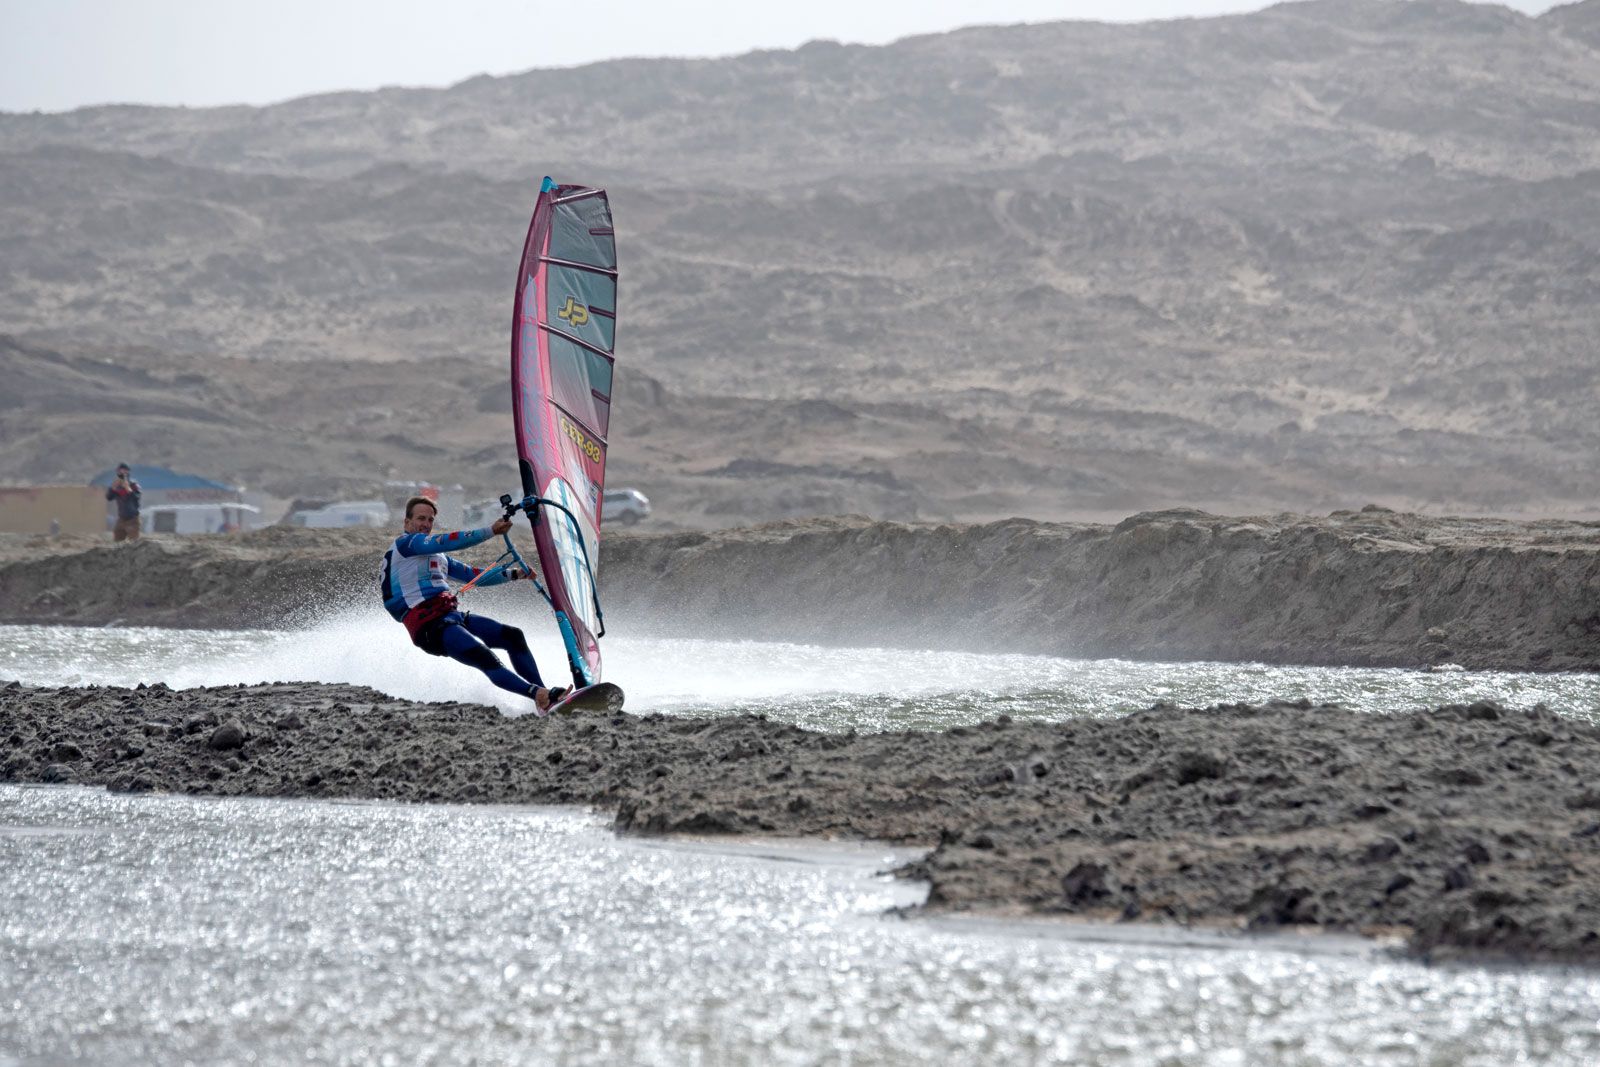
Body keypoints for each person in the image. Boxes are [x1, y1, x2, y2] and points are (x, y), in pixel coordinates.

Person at [380, 496, 566, 712]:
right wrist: (491, 531)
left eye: (430, 520)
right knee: (484, 656)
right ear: (407, 523)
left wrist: (513, 574)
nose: (426, 524)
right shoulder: (406, 544)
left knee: (513, 636)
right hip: (429, 626)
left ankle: (545, 700)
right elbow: (447, 541)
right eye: (421, 518)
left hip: (450, 617)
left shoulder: (437, 555)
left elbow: (472, 576)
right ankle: (538, 695)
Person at [106, 463, 141, 542]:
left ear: (128, 472)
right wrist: (113, 488)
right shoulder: (117, 485)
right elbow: (109, 497)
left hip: (132, 518)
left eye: (124, 471)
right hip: (121, 518)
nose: (122, 473)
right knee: (117, 540)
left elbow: (136, 497)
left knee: (134, 542)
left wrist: (127, 488)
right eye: (120, 471)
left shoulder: (133, 484)